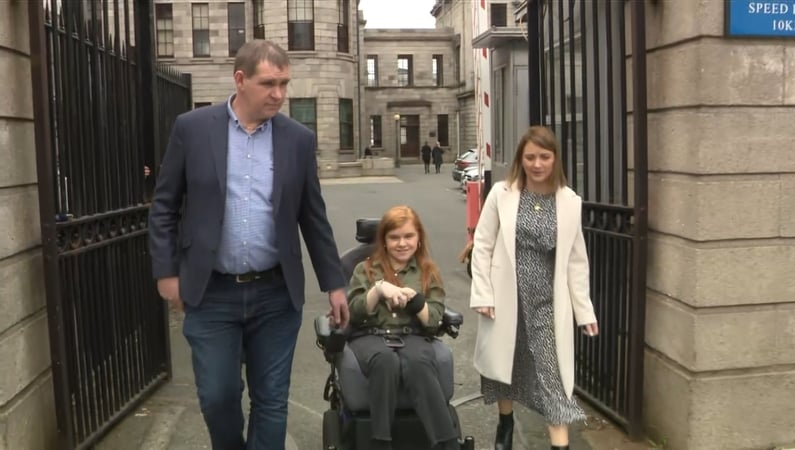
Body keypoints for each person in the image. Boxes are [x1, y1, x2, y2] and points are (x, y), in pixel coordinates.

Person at [148, 39, 349, 450]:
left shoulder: (298, 139)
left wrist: (335, 283)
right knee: (218, 397)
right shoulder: (193, 128)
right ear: (240, 80)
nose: (279, 94)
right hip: (211, 292)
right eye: (268, 83)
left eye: (284, 84)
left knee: (271, 401)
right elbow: (164, 205)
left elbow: (313, 217)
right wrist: (166, 273)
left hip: (276, 294)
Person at [469, 126, 598, 450]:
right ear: (520, 159)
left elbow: (575, 261)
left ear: (555, 159)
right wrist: (483, 294)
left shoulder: (569, 201)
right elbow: (482, 245)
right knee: (505, 368)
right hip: (504, 296)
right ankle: (506, 426)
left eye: (544, 157)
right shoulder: (502, 193)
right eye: (530, 157)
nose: (537, 164)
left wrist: (584, 311)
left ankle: (560, 445)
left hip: (546, 303)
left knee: (552, 378)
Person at [347, 206, 460, 450]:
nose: (402, 243)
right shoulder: (365, 269)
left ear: (419, 239)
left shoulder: (428, 272)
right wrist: (377, 290)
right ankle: (380, 442)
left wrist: (416, 300)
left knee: (418, 362)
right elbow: (354, 312)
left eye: (408, 236)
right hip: (371, 335)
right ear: (384, 241)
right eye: (394, 237)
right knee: (385, 361)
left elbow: (434, 320)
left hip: (414, 335)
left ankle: (446, 443)